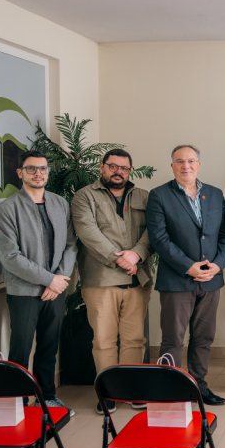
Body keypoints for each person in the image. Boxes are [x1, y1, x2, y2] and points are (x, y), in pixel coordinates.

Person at [145, 145, 225, 405]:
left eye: (191, 161)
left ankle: (199, 387)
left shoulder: (215, 195)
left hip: (211, 280)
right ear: (172, 166)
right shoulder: (159, 195)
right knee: (173, 338)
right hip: (177, 280)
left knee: (204, 337)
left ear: (199, 164)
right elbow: (159, 239)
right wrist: (188, 266)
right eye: (179, 161)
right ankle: (172, 390)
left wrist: (217, 264)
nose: (186, 166)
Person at [0, 150, 77, 414]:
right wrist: (49, 280)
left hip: (56, 289)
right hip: (24, 290)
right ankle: (16, 402)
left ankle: (47, 397)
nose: (38, 173)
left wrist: (59, 280)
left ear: (47, 173)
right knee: (21, 347)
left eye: (42, 169)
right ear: (20, 173)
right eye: (31, 169)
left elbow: (71, 245)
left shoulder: (60, 203)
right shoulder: (7, 209)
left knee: (49, 345)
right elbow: (10, 257)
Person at [71, 148, 154, 414]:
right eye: (113, 166)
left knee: (134, 339)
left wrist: (136, 255)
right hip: (101, 280)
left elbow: (154, 231)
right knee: (104, 340)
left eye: (124, 168)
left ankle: (130, 388)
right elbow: (87, 231)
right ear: (102, 167)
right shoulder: (84, 196)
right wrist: (119, 259)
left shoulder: (144, 197)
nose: (119, 172)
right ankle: (107, 393)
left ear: (130, 171)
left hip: (137, 280)